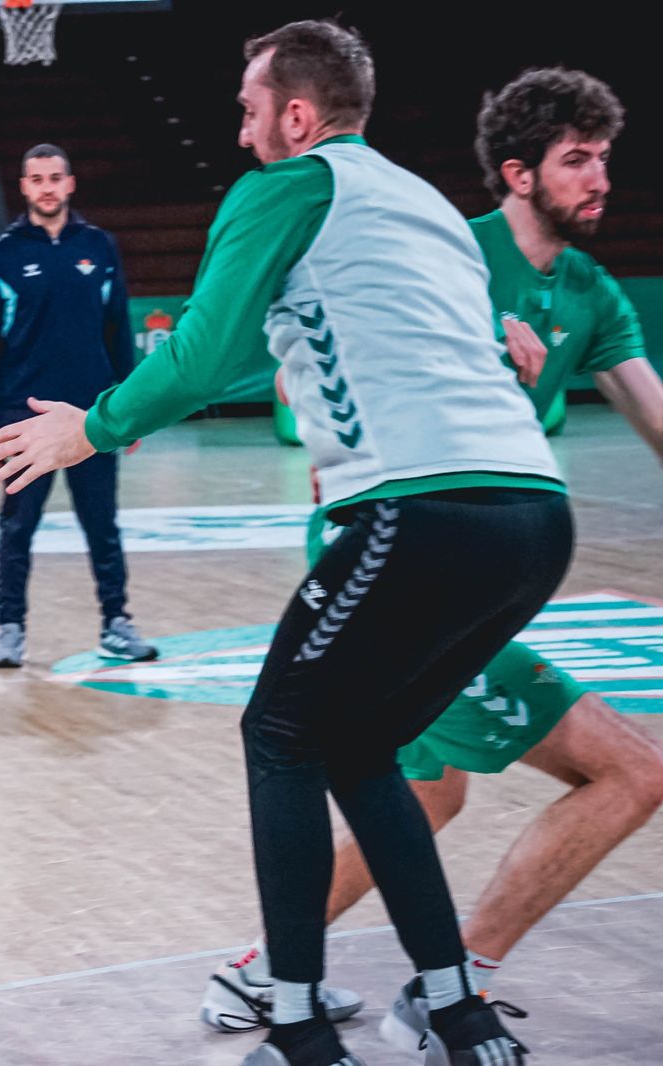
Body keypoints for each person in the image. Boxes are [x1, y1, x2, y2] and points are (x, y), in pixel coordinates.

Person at [0, 20, 573, 1066]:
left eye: (251, 108)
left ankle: (296, 1028)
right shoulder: (423, 203)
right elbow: (322, 346)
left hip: (421, 508)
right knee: (356, 745)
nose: (241, 128)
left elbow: (207, 354)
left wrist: (92, 426)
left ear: (297, 115)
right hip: (533, 517)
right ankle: (457, 1013)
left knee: (279, 733)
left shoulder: (285, 187)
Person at [199, 65, 663, 1049]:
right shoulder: (447, 246)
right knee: (621, 771)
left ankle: (288, 977)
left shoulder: (591, 292)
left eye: (603, 158)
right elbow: (289, 361)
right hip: (402, 559)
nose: (599, 178)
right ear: (517, 173)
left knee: (423, 783)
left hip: (478, 565)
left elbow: (655, 418)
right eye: (577, 160)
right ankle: (429, 990)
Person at [0, 143, 155, 668]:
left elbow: (118, 331)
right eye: (37, 179)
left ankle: (117, 623)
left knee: (103, 525)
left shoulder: (98, 246)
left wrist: (130, 412)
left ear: (70, 183)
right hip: (22, 418)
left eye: (55, 178)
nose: (47, 187)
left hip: (92, 417)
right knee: (17, 527)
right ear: (24, 187)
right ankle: (10, 628)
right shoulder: (3, 254)